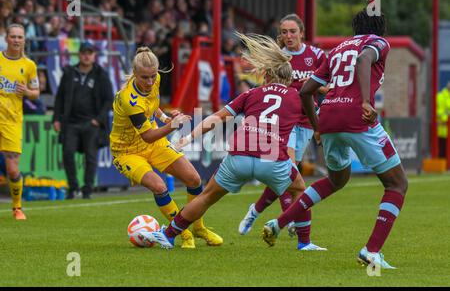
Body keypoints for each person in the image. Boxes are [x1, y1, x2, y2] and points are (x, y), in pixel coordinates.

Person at [261, 9, 408, 269]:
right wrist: (364, 100)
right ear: (380, 29)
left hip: (328, 116)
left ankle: (278, 222)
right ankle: (371, 251)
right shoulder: (377, 42)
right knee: (397, 184)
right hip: (356, 117)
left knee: (337, 179)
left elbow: (307, 90)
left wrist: (318, 127)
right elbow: (364, 59)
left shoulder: (339, 49)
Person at [137, 32, 307, 250]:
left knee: (206, 197)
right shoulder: (296, 95)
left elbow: (215, 119)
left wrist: (188, 138)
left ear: (266, 76)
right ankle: (299, 238)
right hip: (271, 158)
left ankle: (168, 235)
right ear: (289, 79)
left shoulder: (250, 94)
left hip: (239, 156)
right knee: (299, 188)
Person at [109, 47, 223, 249]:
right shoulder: (129, 99)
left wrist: (163, 117)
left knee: (194, 179)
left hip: (153, 143)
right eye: (145, 78)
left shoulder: (155, 80)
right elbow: (148, 135)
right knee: (160, 186)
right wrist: (172, 125)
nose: (151, 82)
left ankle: (199, 227)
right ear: (135, 74)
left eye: (154, 76)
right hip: (127, 151)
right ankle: (184, 233)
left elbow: (152, 105)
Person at [238, 14, 328, 251]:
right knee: (288, 172)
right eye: (284, 32)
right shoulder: (277, 58)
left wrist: (314, 84)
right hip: (283, 120)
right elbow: (265, 87)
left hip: (307, 120)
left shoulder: (317, 56)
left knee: (289, 175)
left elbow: (330, 82)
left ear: (302, 33)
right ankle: (292, 223)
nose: (288, 36)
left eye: (292, 31)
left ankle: (258, 210)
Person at [53, 42, 114, 199]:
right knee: (67, 153)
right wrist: (57, 119)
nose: (87, 56)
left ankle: (87, 189)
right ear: (79, 55)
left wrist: (98, 120)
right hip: (70, 122)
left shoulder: (101, 74)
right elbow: (59, 97)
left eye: (90, 53)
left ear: (94, 56)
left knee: (91, 157)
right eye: (84, 53)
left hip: (91, 122)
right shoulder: (69, 72)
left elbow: (109, 99)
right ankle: (73, 187)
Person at [0, 23, 40, 220]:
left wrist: (27, 92)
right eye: (13, 36)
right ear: (6, 38)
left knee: (12, 169)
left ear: (24, 40)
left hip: (12, 120)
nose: (16, 40)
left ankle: (17, 207)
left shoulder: (29, 66)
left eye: (20, 37)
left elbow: (36, 93)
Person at [437, 81, 450, 158]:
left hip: (446, 129)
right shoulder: (440, 97)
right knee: (442, 151)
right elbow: (439, 113)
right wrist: (446, 119)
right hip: (442, 130)